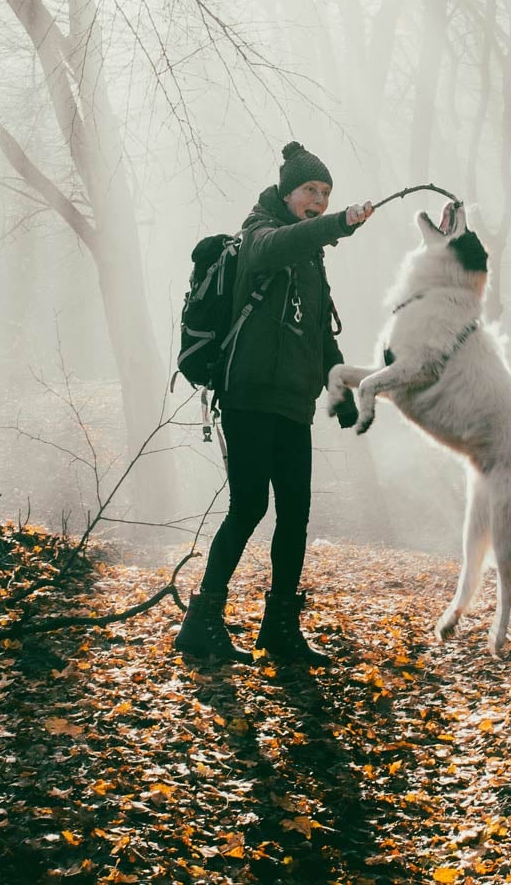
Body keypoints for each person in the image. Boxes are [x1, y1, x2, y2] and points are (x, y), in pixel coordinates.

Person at [174, 141, 373, 665]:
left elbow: (319, 337)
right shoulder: (258, 234)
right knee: (249, 507)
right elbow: (272, 249)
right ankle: (202, 623)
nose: (319, 201)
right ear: (287, 193)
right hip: (247, 396)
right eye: (311, 190)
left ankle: (280, 629)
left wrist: (341, 388)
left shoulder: (310, 260)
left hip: (291, 404)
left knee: (296, 515)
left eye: (326, 194)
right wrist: (341, 224)